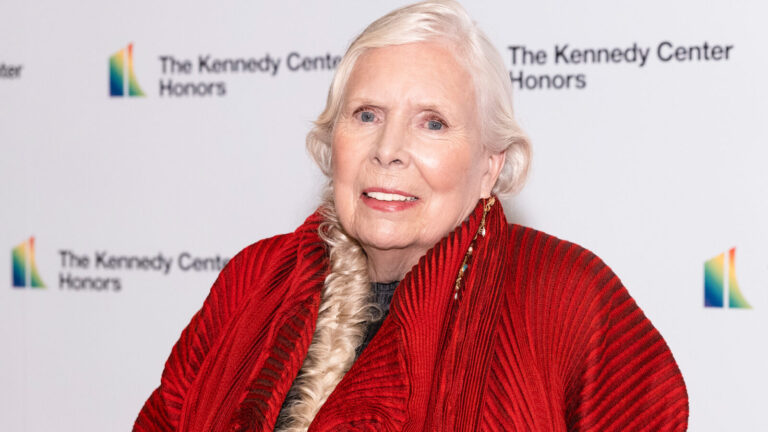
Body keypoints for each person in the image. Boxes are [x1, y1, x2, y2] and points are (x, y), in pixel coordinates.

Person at [134, 1, 689, 431]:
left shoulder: (565, 298)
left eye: (433, 123)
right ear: (334, 143)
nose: (388, 148)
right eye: (367, 114)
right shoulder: (253, 282)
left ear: (489, 166)